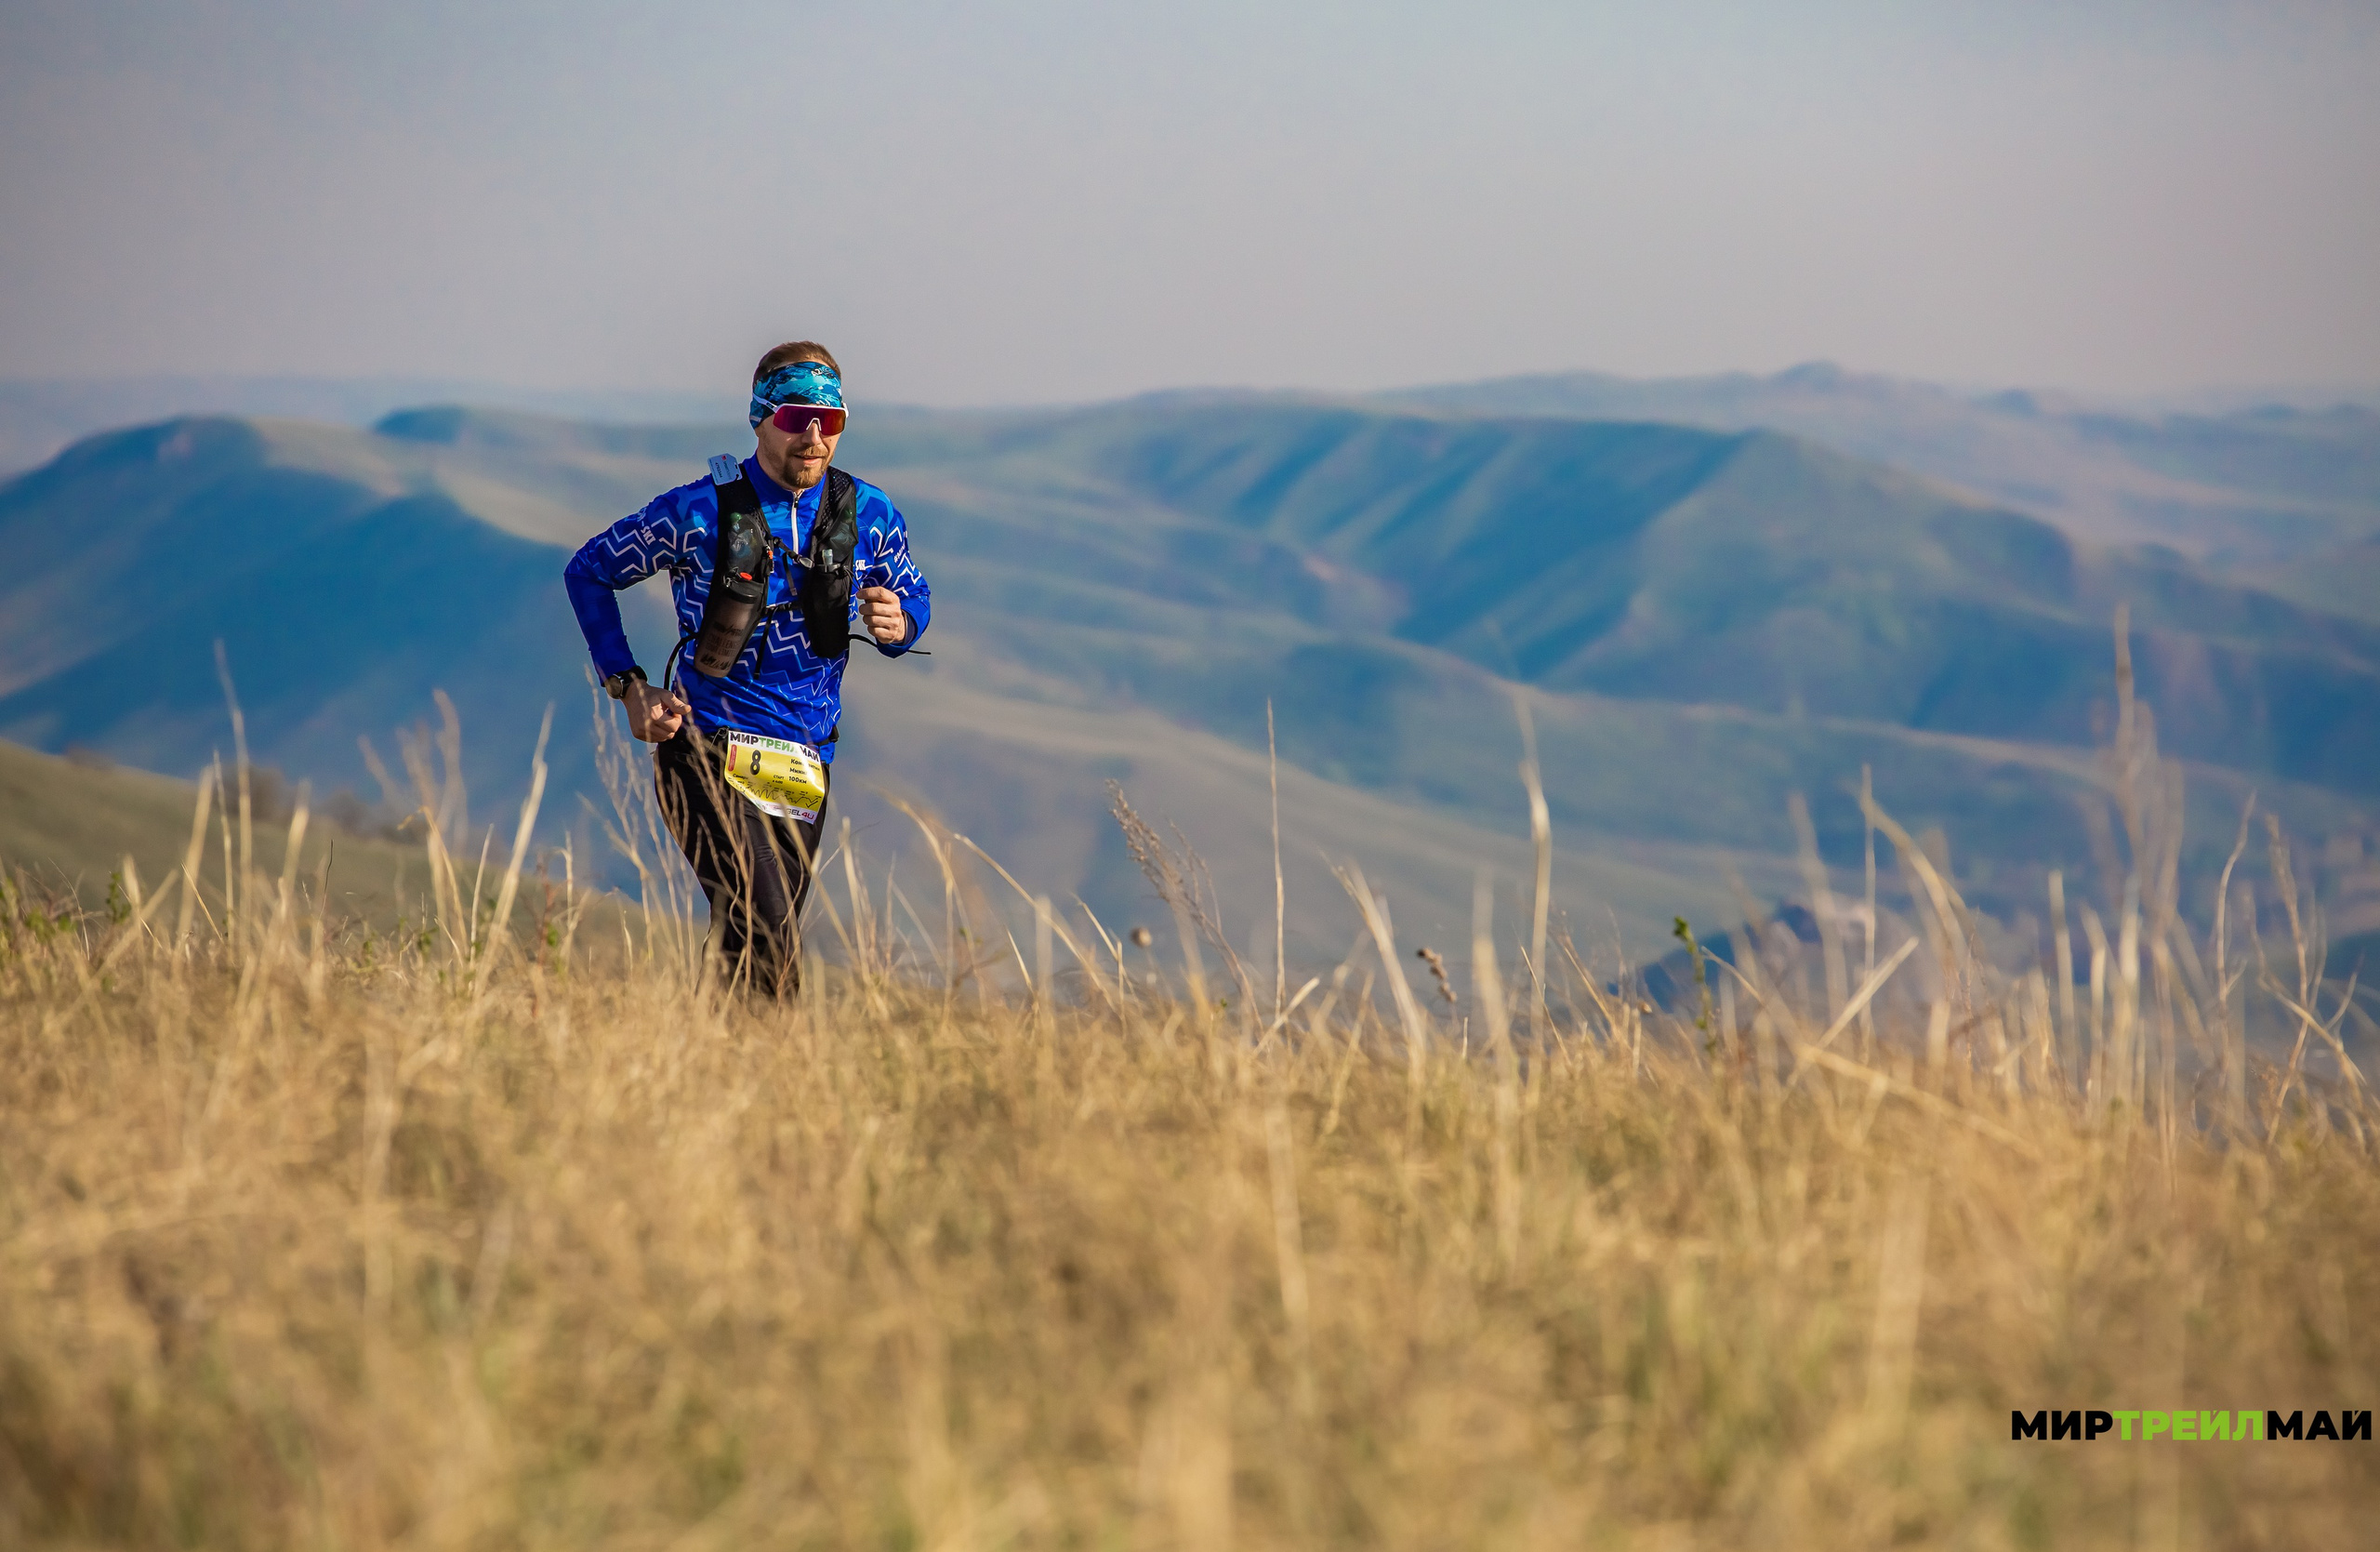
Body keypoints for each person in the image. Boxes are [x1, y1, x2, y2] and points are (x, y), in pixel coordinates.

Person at [562, 341, 931, 995]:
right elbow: (590, 570)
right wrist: (629, 685)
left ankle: (723, 1075)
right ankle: (775, 1071)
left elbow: (916, 598)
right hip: (703, 746)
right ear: (760, 419)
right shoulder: (696, 511)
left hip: (804, 759)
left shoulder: (868, 515)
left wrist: (901, 623)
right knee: (766, 927)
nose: (814, 438)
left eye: (831, 421)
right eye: (795, 419)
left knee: (755, 936)